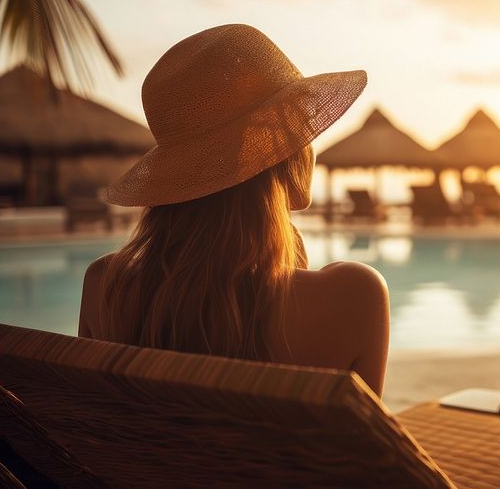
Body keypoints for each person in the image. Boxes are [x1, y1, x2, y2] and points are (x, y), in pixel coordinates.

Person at [78, 24, 390, 394]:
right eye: (301, 129)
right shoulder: (352, 295)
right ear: (279, 145)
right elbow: (358, 449)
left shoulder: (105, 288)